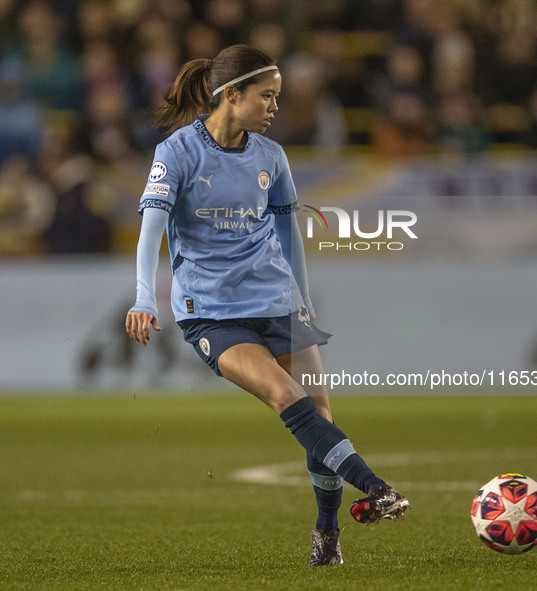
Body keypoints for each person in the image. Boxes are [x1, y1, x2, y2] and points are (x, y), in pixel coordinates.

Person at [125, 44, 410, 567]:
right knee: (287, 397)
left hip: (278, 302)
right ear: (231, 95)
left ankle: (326, 532)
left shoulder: (271, 156)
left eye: (278, 96)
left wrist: (301, 302)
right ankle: (377, 486)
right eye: (267, 96)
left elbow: (288, 231)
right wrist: (146, 297)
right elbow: (151, 232)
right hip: (210, 311)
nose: (275, 107)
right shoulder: (177, 153)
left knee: (320, 413)